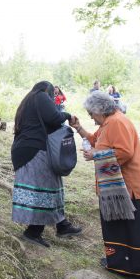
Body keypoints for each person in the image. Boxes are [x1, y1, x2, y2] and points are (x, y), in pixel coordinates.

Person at [71, 92, 140, 279]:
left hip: (131, 188)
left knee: (138, 232)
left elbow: (124, 152)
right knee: (119, 227)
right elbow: (94, 139)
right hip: (115, 189)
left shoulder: (117, 122)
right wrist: (78, 128)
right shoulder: (107, 124)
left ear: (99, 109)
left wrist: (96, 154)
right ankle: (121, 265)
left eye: (90, 113)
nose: (90, 117)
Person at [12, 81, 83, 247]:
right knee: (44, 189)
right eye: (54, 95)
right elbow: (54, 117)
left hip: (27, 149)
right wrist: (68, 116)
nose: (53, 98)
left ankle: (62, 225)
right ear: (48, 91)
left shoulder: (28, 100)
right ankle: (33, 232)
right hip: (33, 150)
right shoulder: (41, 96)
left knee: (52, 185)